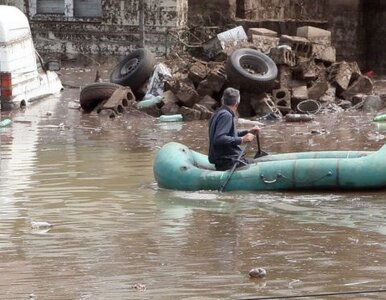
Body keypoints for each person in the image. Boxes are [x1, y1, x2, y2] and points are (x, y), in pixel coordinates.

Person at [208, 87, 260, 171]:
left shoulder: (217, 113)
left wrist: (247, 131)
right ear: (237, 103)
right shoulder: (226, 115)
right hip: (228, 161)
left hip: (222, 159)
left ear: (222, 100)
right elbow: (219, 138)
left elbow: (229, 134)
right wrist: (242, 139)